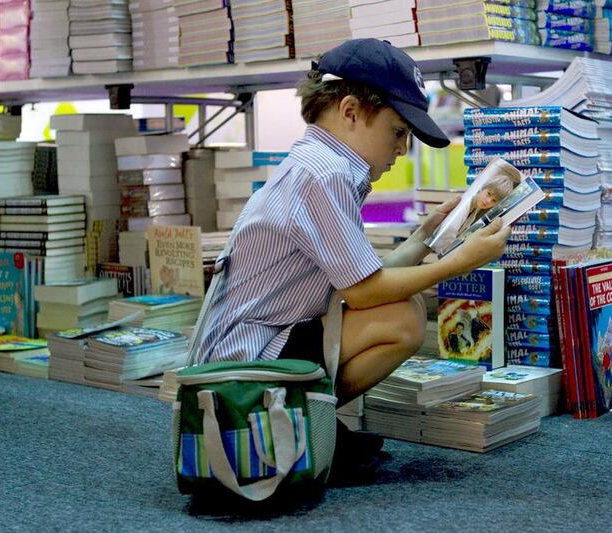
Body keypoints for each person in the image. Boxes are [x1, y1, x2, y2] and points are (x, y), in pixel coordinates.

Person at [194, 39, 511, 485]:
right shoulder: (324, 177)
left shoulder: (317, 165)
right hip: (242, 368)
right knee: (402, 318)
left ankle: (307, 418)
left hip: (258, 344)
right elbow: (366, 291)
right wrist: (459, 262)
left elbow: (362, 278)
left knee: (397, 305)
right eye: (398, 131)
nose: (402, 149)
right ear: (350, 112)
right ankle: (298, 420)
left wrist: (426, 236)